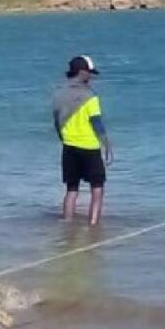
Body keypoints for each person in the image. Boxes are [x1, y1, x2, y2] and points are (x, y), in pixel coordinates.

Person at [52, 55, 112, 225]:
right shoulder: (90, 97)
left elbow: (57, 122)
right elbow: (97, 123)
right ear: (81, 72)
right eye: (90, 73)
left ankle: (67, 223)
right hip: (89, 147)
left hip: (69, 146)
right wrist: (107, 145)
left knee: (71, 189)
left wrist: (63, 139)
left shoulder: (58, 94)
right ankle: (93, 226)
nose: (91, 77)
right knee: (97, 189)